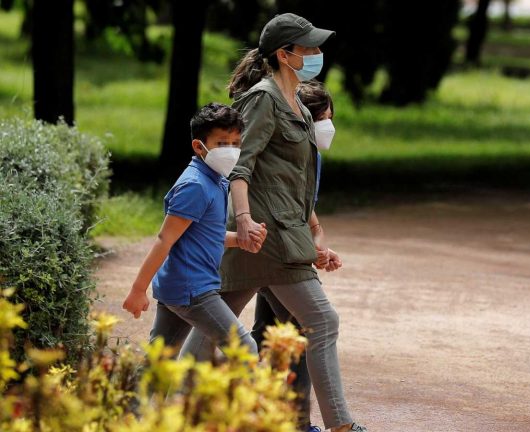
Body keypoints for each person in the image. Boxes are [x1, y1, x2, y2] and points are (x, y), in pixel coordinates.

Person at [179, 13, 366, 432]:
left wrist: (316, 238)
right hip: (267, 233)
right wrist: (243, 221)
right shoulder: (264, 98)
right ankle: (342, 427)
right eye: (309, 48)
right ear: (285, 55)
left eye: (318, 47)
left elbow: (294, 181)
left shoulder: (297, 101)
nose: (317, 55)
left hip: (282, 231)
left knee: (214, 322)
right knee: (322, 321)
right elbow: (240, 168)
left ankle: (173, 406)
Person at [121, 102, 266, 357]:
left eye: (236, 143)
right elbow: (164, 239)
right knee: (245, 348)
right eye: (222, 144)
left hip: (180, 285)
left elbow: (203, 236)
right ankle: (232, 398)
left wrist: (241, 240)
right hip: (193, 289)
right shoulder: (195, 186)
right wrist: (138, 289)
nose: (231, 150)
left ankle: (134, 399)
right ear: (199, 147)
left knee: (159, 360)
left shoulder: (215, 180)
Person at [249, 79, 339, 431]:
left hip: (289, 249)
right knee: (305, 328)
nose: (329, 126)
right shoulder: (290, 153)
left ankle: (262, 414)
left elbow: (307, 215)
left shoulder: (311, 155)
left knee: (268, 333)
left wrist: (318, 244)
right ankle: (297, 422)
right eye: (324, 118)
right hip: (275, 251)